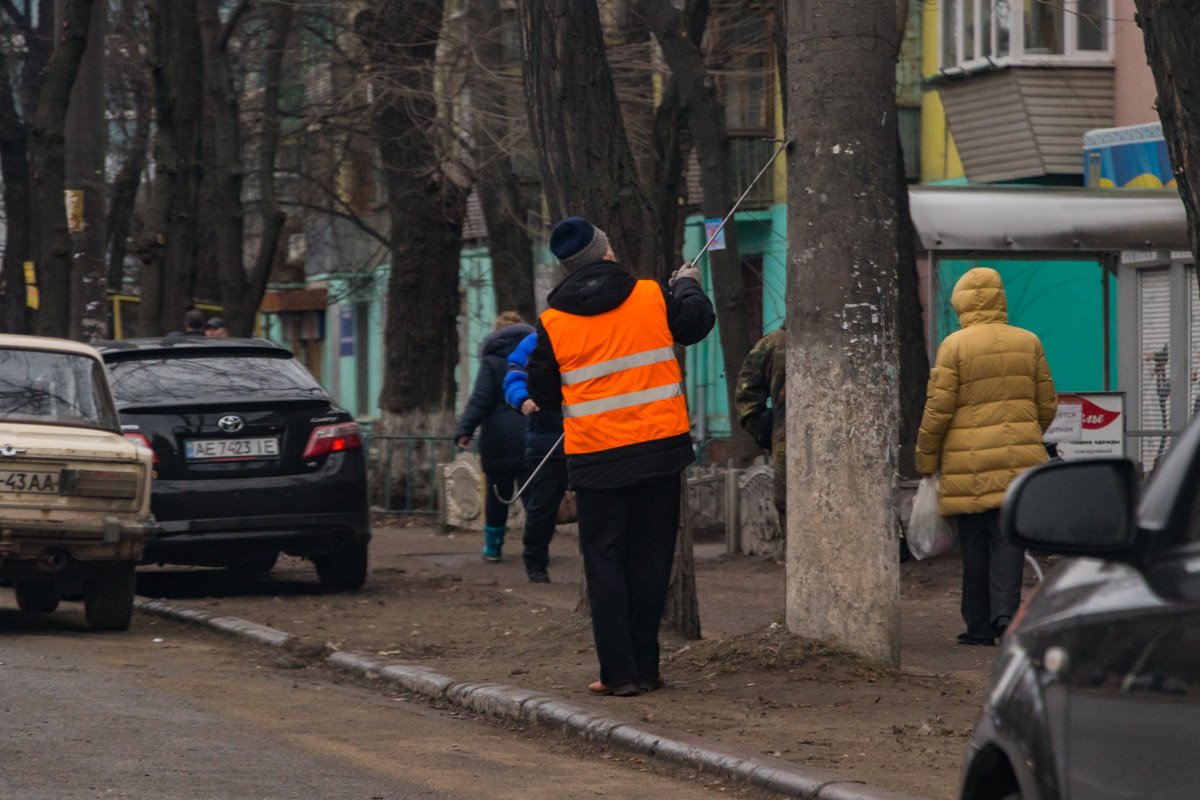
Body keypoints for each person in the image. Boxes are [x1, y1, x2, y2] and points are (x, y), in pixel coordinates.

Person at [527, 216, 715, 697]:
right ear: (607, 252)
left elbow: (543, 395)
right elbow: (696, 324)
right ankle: (648, 666)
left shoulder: (553, 322)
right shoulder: (652, 295)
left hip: (596, 459)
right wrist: (688, 286)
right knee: (651, 560)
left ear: (569, 267)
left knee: (605, 562)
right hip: (658, 452)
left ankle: (618, 673)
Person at [915, 267, 1057, 647]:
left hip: (967, 467)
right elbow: (1047, 404)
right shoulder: (1028, 342)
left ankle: (977, 626)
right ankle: (1006, 615)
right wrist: (1028, 436)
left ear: (961, 302)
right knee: (1010, 543)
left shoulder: (954, 346)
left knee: (974, 548)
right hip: (1019, 468)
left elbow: (938, 411)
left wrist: (927, 461)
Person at [454, 312, 534, 562]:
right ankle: (535, 548)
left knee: (498, 496)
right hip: (531, 433)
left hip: (498, 439)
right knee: (534, 496)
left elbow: (481, 399)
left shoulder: (491, 361)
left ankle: (493, 547)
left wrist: (464, 430)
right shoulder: (535, 356)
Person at [502, 331, 567, 584]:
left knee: (596, 507)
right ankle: (535, 562)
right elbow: (515, 375)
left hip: (590, 435)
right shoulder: (539, 338)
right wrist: (522, 399)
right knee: (542, 507)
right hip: (547, 437)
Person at [734, 327, 786, 527]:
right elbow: (748, 405)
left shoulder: (774, 344)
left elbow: (747, 406)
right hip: (793, 471)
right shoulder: (776, 344)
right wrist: (776, 434)